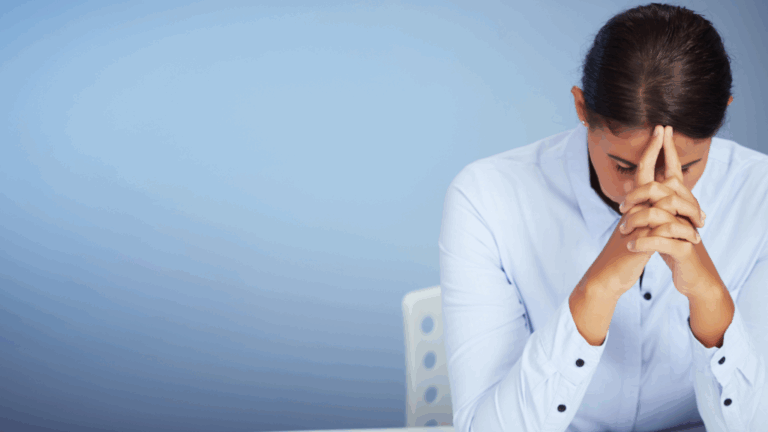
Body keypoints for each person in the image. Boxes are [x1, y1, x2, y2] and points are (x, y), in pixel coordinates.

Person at [438, 3, 768, 431]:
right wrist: (598, 288)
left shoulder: (759, 196)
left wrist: (708, 295)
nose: (655, 192)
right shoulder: (487, 198)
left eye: (685, 168)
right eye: (626, 167)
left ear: (724, 112)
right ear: (581, 108)